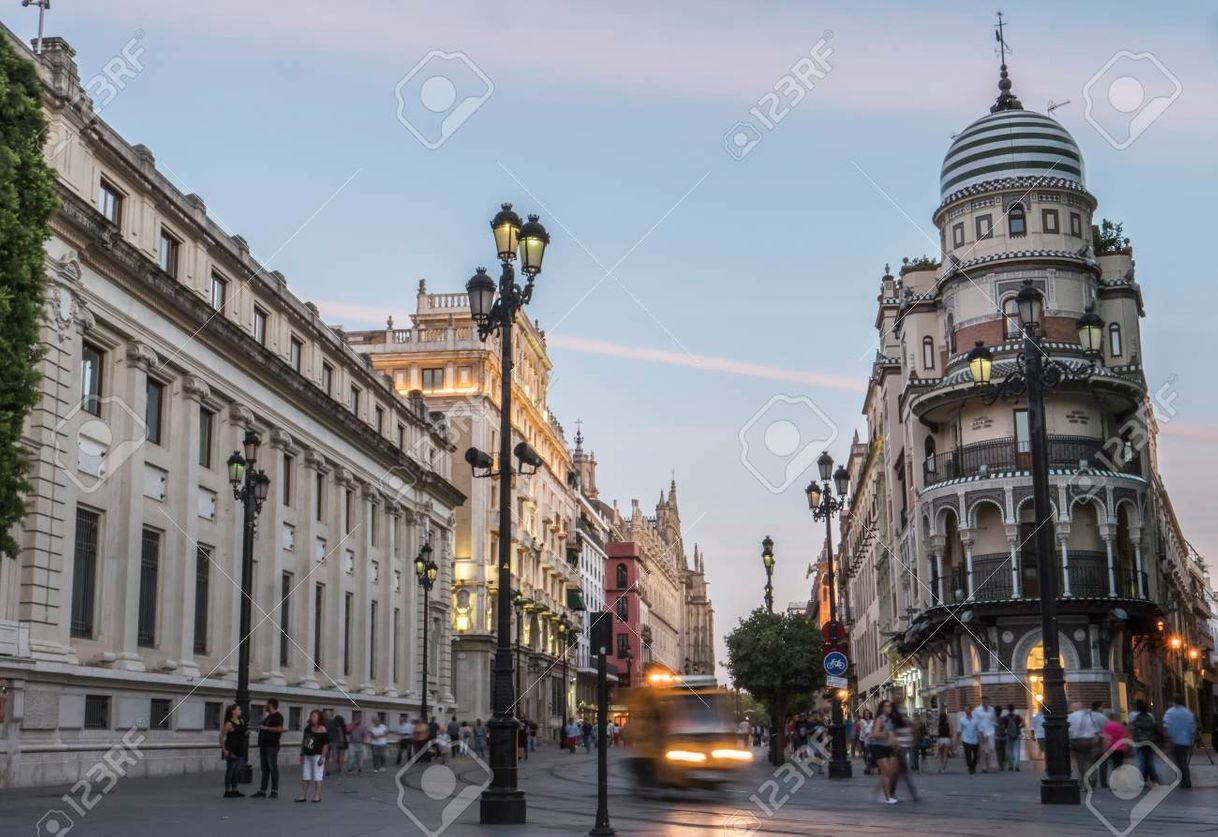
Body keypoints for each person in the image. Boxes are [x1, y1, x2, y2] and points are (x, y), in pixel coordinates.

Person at [870, 700, 900, 804]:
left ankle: (888, 794)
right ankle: (887, 797)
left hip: (889, 747)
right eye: (886, 706)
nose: (889, 708)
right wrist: (887, 734)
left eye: (890, 706)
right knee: (886, 770)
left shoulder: (891, 719)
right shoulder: (880, 719)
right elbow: (875, 734)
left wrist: (895, 742)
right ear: (882, 708)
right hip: (879, 747)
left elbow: (893, 734)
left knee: (892, 771)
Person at [1162, 696, 1196, 789]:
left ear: (1174, 702)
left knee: (1177, 761)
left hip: (1173, 740)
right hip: (1185, 741)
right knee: (1183, 761)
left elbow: (1166, 726)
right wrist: (1192, 738)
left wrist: (1166, 739)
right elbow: (1192, 726)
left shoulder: (1169, 712)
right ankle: (1186, 779)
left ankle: (1182, 779)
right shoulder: (1188, 712)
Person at [252, 698, 283, 797]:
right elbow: (263, 725)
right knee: (264, 768)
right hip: (264, 745)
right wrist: (259, 726)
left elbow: (279, 728)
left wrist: (266, 728)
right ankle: (263, 790)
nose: (265, 706)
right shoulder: (268, 717)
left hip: (272, 746)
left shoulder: (278, 716)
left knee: (272, 767)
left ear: (271, 705)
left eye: (267, 704)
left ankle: (274, 791)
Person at [1067, 701, 1102, 789]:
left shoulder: (1070, 717)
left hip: (1077, 742)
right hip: (1090, 741)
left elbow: (1068, 731)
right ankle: (1092, 780)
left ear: (1073, 709)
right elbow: (1096, 729)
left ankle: (1083, 781)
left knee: (1080, 762)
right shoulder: (1090, 716)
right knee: (1091, 761)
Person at [298, 709, 329, 803]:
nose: (312, 718)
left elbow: (325, 744)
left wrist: (322, 757)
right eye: (311, 716)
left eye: (314, 716)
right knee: (305, 775)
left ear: (319, 718)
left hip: (317, 755)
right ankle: (303, 795)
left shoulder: (322, 729)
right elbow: (305, 742)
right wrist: (302, 754)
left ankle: (317, 795)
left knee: (317, 776)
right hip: (308, 753)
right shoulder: (308, 728)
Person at [1129, 699, 1161, 784]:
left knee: (1141, 759)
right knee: (1150, 759)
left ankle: (1143, 779)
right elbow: (1154, 727)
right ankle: (1154, 777)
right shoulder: (1150, 715)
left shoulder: (1133, 715)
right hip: (1150, 741)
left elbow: (1132, 729)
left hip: (1139, 741)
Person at [220, 704, 247, 798]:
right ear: (233, 711)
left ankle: (235, 789)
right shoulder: (229, 724)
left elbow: (242, 733)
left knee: (236, 771)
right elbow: (221, 737)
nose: (240, 711)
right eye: (238, 709)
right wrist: (224, 750)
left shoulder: (241, 721)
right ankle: (227, 790)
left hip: (240, 749)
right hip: (231, 749)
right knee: (230, 770)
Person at [972, 698, 997, 773]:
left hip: (991, 731)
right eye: (984, 701)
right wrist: (981, 733)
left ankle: (989, 763)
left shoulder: (992, 710)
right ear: (982, 702)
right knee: (983, 750)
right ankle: (984, 766)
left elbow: (993, 720)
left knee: (991, 748)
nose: (986, 703)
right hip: (982, 732)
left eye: (987, 701)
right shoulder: (977, 710)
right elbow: (976, 722)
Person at [957, 710, 980, 774]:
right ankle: (970, 768)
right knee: (968, 755)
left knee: (976, 756)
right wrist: (957, 739)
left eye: (968, 710)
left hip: (975, 740)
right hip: (966, 740)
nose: (967, 711)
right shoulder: (962, 720)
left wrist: (980, 737)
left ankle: (973, 766)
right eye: (966, 710)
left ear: (971, 710)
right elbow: (959, 730)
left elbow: (978, 729)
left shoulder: (976, 720)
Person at [1003, 704, 1024, 771]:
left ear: (1008, 709)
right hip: (1017, 735)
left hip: (1008, 735)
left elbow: (1003, 727)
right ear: (1014, 709)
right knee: (1017, 750)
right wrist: (1018, 728)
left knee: (1010, 750)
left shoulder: (1005, 717)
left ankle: (1011, 766)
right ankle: (1017, 765)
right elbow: (1023, 724)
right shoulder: (1018, 717)